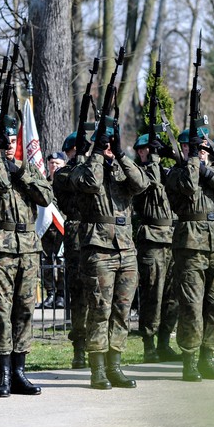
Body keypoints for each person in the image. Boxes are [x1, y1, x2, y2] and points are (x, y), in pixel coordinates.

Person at [0, 118, 53, 397]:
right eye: (4, 142)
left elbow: (45, 197)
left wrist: (20, 170)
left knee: (24, 309)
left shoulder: (25, 168)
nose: (10, 146)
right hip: (1, 248)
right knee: (1, 311)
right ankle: (4, 373)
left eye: (13, 141)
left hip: (28, 247)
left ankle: (20, 370)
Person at [70, 125, 149, 389]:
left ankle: (115, 366)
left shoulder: (120, 167)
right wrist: (95, 153)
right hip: (99, 249)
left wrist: (120, 154)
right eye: (104, 143)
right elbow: (90, 183)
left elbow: (141, 183)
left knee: (122, 311)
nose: (107, 147)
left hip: (126, 249)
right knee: (100, 310)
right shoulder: (82, 169)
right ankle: (98, 369)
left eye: (109, 143)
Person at [166, 127, 214, 382]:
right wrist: (195, 164)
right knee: (191, 307)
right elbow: (187, 187)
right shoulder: (176, 173)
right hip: (190, 247)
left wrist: (209, 172)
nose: (198, 152)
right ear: (184, 149)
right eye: (191, 148)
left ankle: (208, 357)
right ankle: (190, 360)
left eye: (201, 148)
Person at [132, 133, 179, 363]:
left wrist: (172, 154)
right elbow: (146, 185)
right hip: (151, 240)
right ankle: (149, 345)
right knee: (153, 294)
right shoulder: (138, 173)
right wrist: (153, 161)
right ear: (139, 152)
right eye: (144, 150)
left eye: (151, 150)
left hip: (172, 238)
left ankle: (164, 343)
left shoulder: (166, 172)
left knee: (172, 296)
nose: (148, 154)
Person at [52, 132, 89, 369]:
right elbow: (74, 186)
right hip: (77, 237)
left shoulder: (97, 167)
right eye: (74, 151)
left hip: (100, 234)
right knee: (79, 297)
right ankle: (80, 349)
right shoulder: (64, 174)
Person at [40, 152, 67, 310]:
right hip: (45, 229)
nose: (54, 166)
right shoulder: (44, 184)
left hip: (62, 228)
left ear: (63, 164)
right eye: (51, 163)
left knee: (61, 261)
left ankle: (61, 295)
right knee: (46, 262)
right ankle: (50, 293)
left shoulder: (66, 182)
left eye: (57, 163)